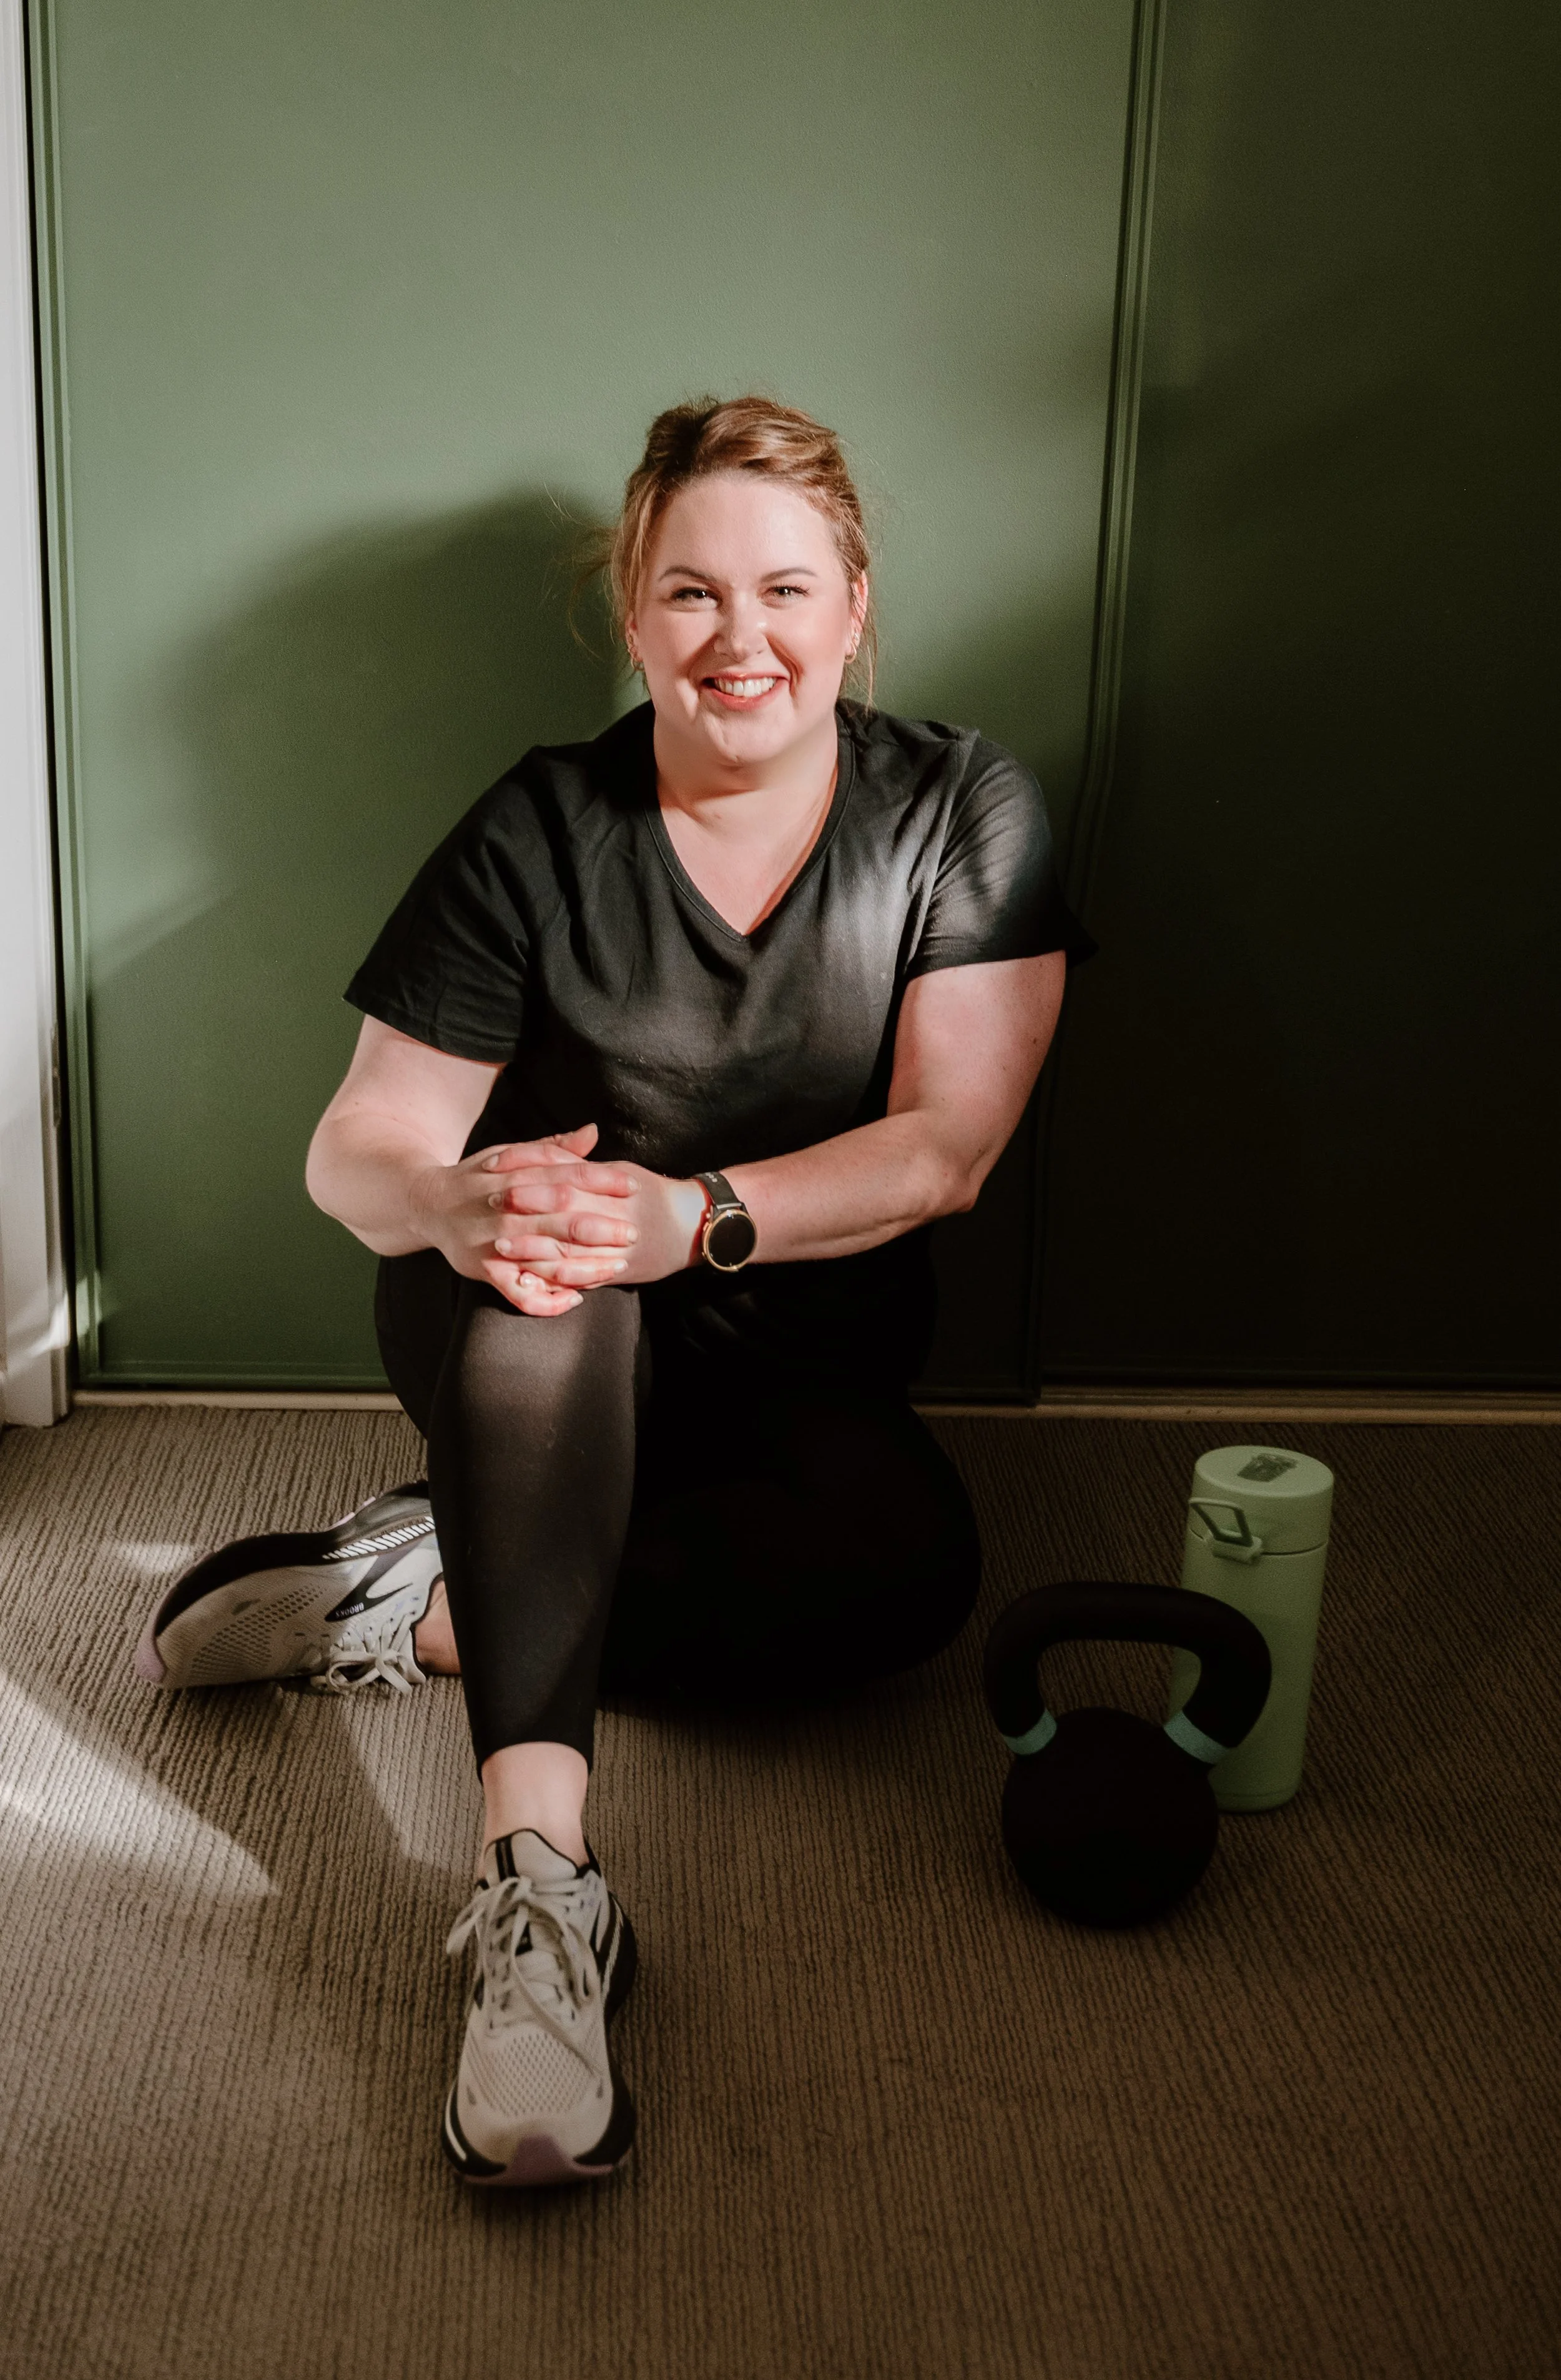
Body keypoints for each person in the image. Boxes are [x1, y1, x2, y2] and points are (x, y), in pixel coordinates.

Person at [135, 395, 1092, 2187]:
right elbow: (355, 1151)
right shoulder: (540, 824)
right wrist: (455, 1195)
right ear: (634, 616)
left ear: (858, 604)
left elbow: (945, 1147)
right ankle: (537, 1902)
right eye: (692, 594)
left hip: (795, 1347)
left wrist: (693, 1220)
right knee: (555, 1270)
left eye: (786, 590)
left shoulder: (966, 806)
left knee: (910, 1585)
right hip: (537, 1336)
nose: (743, 639)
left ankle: (412, 1601)